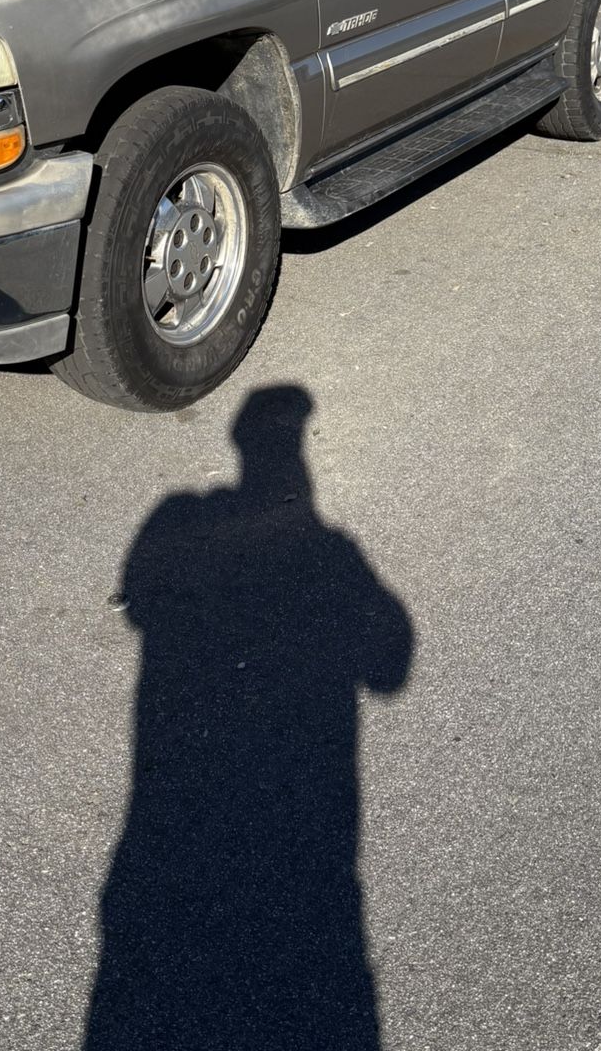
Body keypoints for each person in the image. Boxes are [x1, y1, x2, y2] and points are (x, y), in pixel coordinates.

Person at [85, 385, 413, 1050]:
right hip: (308, 846)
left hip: (167, 830)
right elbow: (390, 665)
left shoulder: (178, 518)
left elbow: (141, 604)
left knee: (148, 970)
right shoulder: (331, 553)